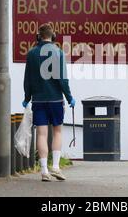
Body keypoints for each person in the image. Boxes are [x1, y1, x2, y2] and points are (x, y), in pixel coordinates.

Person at [22, 23, 76, 182]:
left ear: (38, 36)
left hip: (38, 100)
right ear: (53, 37)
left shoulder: (31, 54)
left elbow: (28, 80)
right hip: (55, 100)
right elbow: (62, 79)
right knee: (57, 131)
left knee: (41, 133)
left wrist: (26, 98)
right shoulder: (58, 52)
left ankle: (44, 170)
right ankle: (56, 167)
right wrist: (69, 97)